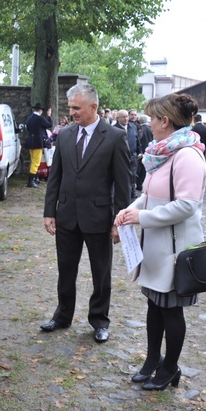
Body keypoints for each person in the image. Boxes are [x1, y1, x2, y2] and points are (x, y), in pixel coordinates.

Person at [114, 93, 206, 391]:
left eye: (152, 118)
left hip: (175, 249)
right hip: (156, 244)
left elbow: (186, 206)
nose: (149, 123)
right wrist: (133, 207)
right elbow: (151, 192)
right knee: (154, 306)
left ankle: (170, 367)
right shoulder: (163, 152)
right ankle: (153, 359)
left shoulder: (188, 156)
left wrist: (141, 217)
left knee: (170, 310)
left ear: (165, 121)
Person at [41, 83, 132, 343]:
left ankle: (100, 320)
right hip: (67, 215)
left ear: (93, 107)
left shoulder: (115, 137)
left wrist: (120, 221)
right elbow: (55, 176)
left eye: (76, 108)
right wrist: (50, 211)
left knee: (101, 273)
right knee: (65, 269)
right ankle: (62, 315)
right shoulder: (66, 135)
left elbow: (123, 184)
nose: (72, 113)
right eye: (70, 108)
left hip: (99, 218)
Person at [114, 109, 142, 197]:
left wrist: (139, 151)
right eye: (123, 117)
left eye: (127, 116)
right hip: (120, 159)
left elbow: (137, 140)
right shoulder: (113, 129)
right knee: (121, 177)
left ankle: (132, 194)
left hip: (133, 157)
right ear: (118, 118)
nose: (126, 119)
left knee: (133, 176)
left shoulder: (133, 127)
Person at [25, 103, 53, 188]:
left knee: (33, 161)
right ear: (40, 110)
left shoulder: (29, 118)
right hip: (37, 142)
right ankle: (31, 181)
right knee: (36, 162)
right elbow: (49, 124)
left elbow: (28, 129)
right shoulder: (39, 118)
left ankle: (35, 178)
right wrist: (49, 115)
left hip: (30, 142)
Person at [137, 115, 154, 189]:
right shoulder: (150, 128)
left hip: (142, 151)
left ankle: (140, 185)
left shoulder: (141, 129)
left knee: (141, 170)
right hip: (149, 150)